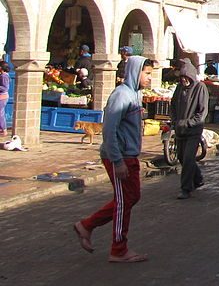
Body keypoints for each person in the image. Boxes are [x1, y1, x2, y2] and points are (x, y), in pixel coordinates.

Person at [73, 56, 152, 263]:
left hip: (130, 155)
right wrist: (117, 161)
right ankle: (118, 249)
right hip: (119, 156)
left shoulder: (135, 95)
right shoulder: (121, 95)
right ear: (136, 72)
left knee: (131, 197)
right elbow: (109, 130)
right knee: (124, 201)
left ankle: (87, 225)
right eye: (147, 73)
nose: (149, 78)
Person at [168, 60, 208, 199]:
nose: (184, 80)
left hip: (193, 131)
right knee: (182, 158)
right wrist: (174, 121)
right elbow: (173, 105)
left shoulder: (200, 88)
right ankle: (198, 179)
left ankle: (186, 188)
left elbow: (202, 113)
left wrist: (188, 123)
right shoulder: (179, 88)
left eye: (186, 78)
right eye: (182, 78)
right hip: (180, 131)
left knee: (188, 158)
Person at [0, 61, 10, 136]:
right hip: (2, 97)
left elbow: (5, 88)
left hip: (2, 97)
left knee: (0, 113)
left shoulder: (4, 76)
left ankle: (4, 129)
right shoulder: (3, 75)